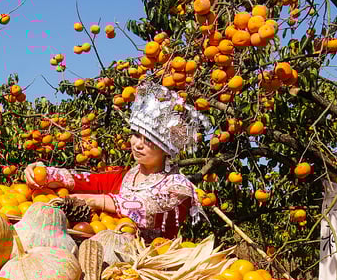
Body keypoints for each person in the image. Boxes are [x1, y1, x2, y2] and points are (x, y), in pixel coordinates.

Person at [24, 82, 204, 242]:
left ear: (166, 149)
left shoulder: (178, 187)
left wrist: (98, 201)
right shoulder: (124, 176)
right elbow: (86, 180)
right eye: (136, 135)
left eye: (149, 140)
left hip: (151, 263)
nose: (138, 144)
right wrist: (42, 173)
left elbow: (146, 207)